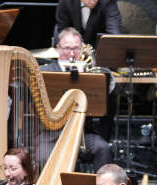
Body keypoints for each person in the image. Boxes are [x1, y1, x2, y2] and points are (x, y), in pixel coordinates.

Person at [40, 27, 113, 171]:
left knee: (103, 148)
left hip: (83, 133)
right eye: (67, 48)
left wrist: (86, 76)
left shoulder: (90, 73)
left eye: (76, 48)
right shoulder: (46, 72)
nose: (72, 53)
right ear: (58, 49)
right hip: (51, 134)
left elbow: (105, 92)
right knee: (42, 156)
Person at [54, 0, 121, 46]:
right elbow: (62, 27)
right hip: (73, 45)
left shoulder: (108, 0)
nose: (92, 1)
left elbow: (114, 30)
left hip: (98, 46)